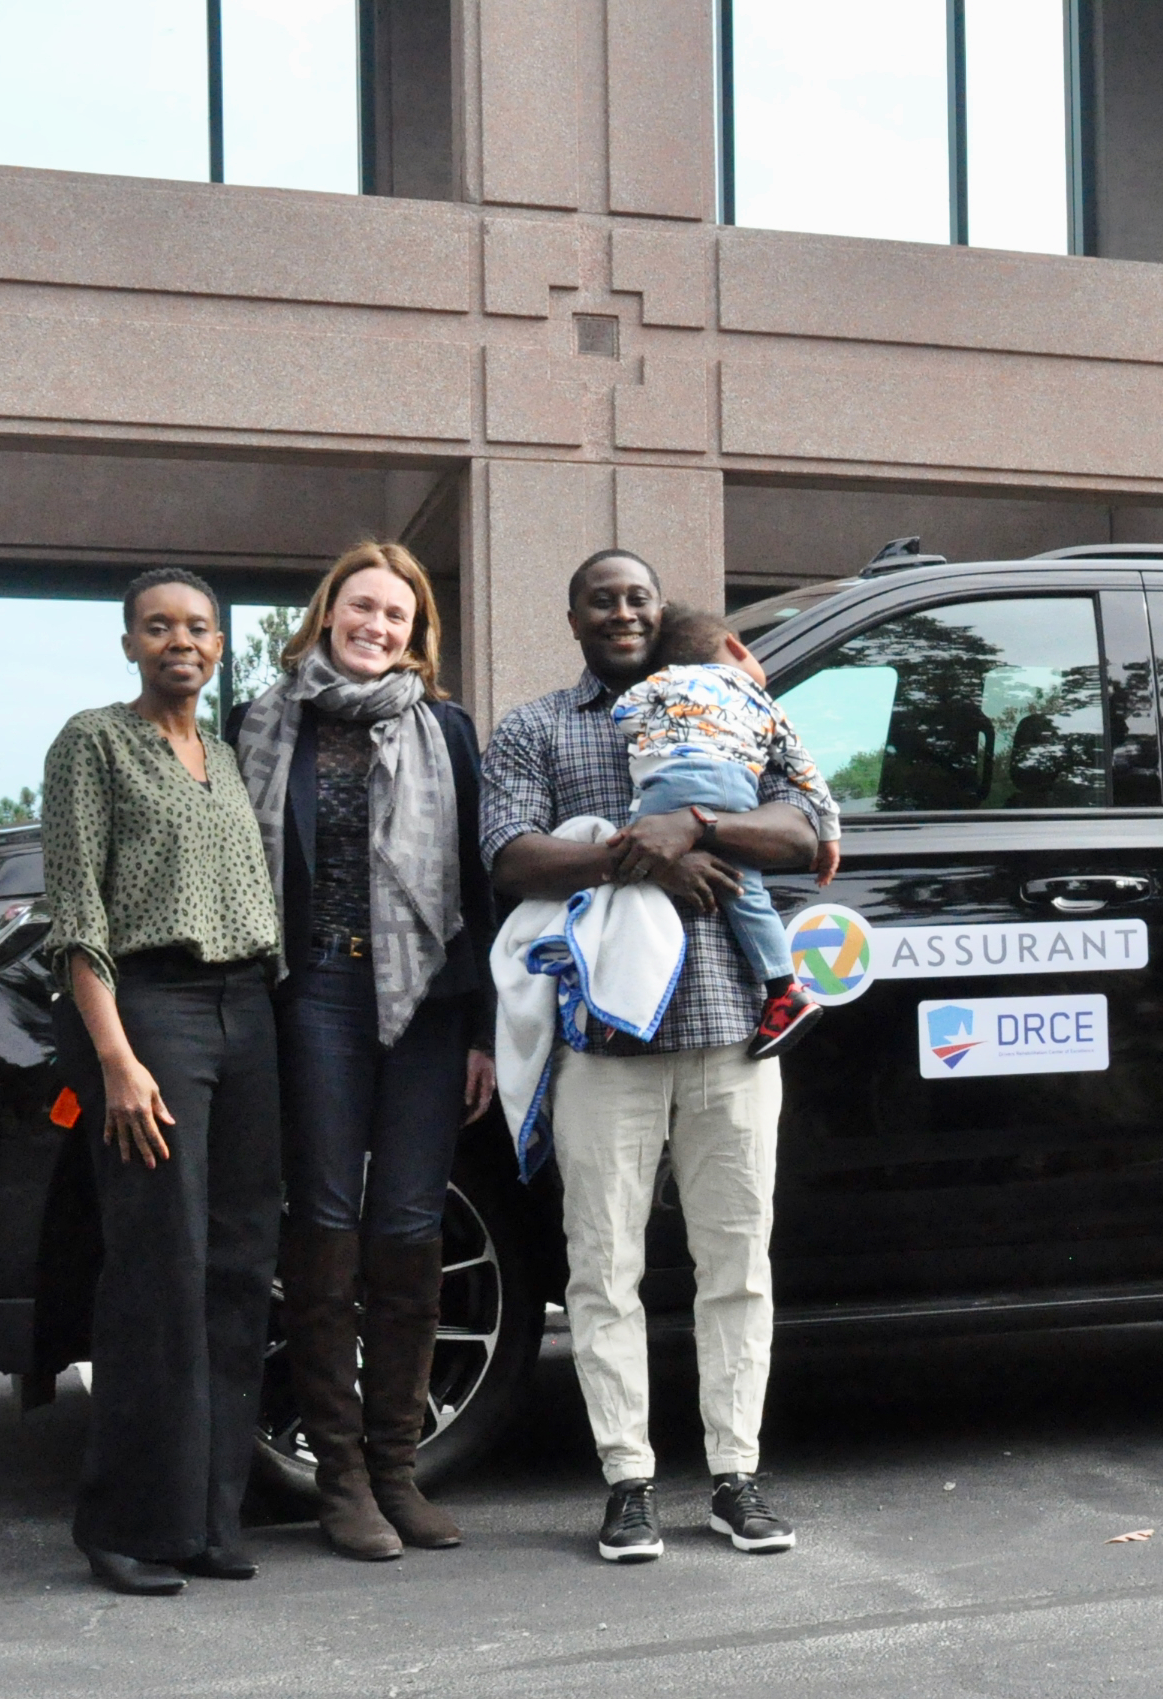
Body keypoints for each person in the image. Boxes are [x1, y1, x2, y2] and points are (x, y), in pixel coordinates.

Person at [479, 550, 822, 1560]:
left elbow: (808, 830)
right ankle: (627, 1479)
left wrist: (704, 820)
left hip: (734, 1036)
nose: (622, 611)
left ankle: (735, 1476)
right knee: (602, 1270)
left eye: (638, 596)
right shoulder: (538, 727)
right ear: (574, 616)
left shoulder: (738, 702)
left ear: (659, 609)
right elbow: (511, 859)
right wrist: (646, 854)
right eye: (602, 598)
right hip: (604, 1040)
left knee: (737, 1266)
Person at [225, 541, 498, 1560]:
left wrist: (477, 1028)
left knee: (409, 1227)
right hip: (316, 993)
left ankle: (397, 1468)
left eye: (396, 613)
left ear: (416, 630)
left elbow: (479, 889)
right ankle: (338, 1479)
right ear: (327, 612)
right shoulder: (264, 722)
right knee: (327, 1224)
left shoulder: (447, 731)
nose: (375, 625)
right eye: (360, 606)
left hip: (426, 999)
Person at [39, 567, 286, 1597]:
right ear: (129, 641)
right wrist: (116, 1059)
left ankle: (208, 1518)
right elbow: (77, 915)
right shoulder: (93, 741)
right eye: (158, 626)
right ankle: (125, 1523)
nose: (179, 641)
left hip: (247, 1013)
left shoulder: (224, 756)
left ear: (222, 644)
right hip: (151, 1013)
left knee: (236, 1268)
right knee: (156, 1272)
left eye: (197, 628)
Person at [609, 606, 842, 1058]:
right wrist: (829, 833)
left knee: (640, 879)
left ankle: (627, 1004)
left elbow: (624, 714)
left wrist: (653, 740)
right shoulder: (764, 703)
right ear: (736, 647)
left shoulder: (666, 679)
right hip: (739, 788)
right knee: (746, 892)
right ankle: (784, 990)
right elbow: (804, 770)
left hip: (672, 781)